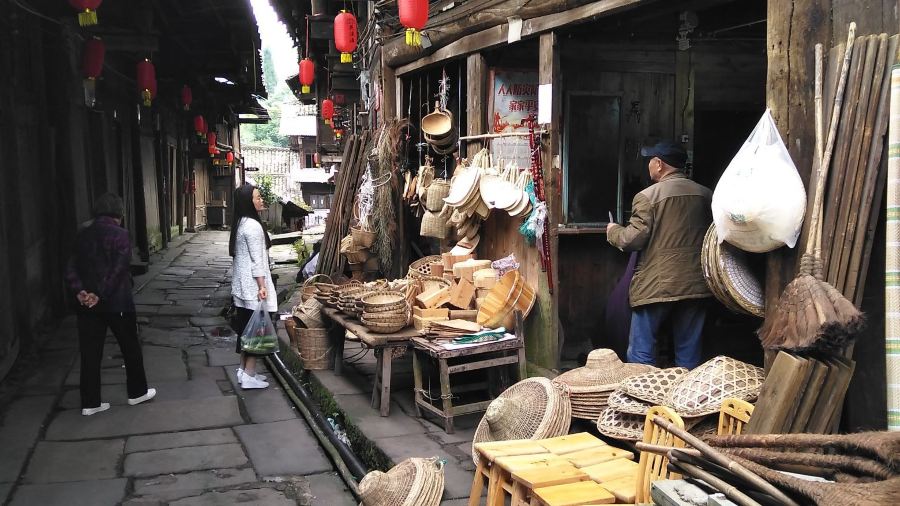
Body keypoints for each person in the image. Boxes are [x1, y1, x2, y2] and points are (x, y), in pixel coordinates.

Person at [606, 141, 712, 369]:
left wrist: (613, 231)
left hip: (657, 285)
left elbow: (632, 240)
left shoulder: (647, 197)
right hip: (696, 284)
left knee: (641, 353)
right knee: (688, 353)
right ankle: (686, 402)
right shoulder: (706, 195)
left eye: (650, 160)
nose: (648, 165)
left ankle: (644, 400)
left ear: (659, 164)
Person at [65, 193, 156, 416]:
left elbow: (70, 267)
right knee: (130, 347)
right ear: (120, 213)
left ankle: (90, 402)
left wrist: (80, 292)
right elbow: (119, 269)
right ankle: (137, 393)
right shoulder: (120, 235)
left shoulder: (82, 234)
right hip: (117, 302)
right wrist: (100, 294)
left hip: (87, 305)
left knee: (89, 353)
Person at [229, 184, 277, 389]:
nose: (261, 200)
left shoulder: (240, 223)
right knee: (256, 331)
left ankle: (244, 371)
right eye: (257, 197)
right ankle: (249, 373)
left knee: (246, 330)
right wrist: (262, 286)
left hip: (241, 286)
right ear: (248, 202)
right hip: (252, 287)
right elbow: (258, 261)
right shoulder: (254, 227)